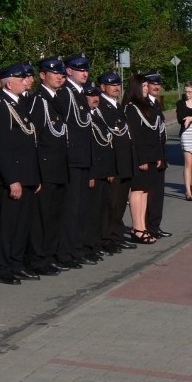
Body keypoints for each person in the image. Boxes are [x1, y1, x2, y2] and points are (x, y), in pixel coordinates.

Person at [0, 63, 41, 285]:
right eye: (21, 79)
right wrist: (12, 180)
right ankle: (2, 266)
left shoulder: (20, 105)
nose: (26, 81)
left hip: (27, 175)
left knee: (22, 225)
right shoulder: (1, 106)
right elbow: (1, 147)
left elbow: (31, 142)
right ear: (9, 82)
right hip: (13, 177)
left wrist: (34, 176)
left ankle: (17, 263)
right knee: (8, 225)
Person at [27, 57, 68, 276]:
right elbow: (34, 138)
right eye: (54, 73)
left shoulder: (57, 99)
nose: (60, 76)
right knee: (42, 217)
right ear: (42, 75)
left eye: (62, 73)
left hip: (59, 167)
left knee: (54, 215)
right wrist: (37, 173)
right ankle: (38, 258)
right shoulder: (38, 100)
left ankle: (50, 255)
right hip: (45, 168)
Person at [56, 53, 95, 267]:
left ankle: (76, 249)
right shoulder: (65, 93)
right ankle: (66, 252)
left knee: (81, 208)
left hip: (82, 159)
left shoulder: (80, 94)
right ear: (68, 71)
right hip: (71, 159)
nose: (84, 73)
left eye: (86, 69)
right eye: (80, 69)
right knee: (70, 209)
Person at [97, 72, 136, 252]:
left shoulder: (117, 106)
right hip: (113, 164)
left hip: (124, 163)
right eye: (111, 85)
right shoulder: (101, 106)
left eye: (118, 84)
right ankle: (107, 238)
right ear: (102, 87)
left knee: (120, 203)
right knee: (110, 204)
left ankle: (117, 236)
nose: (116, 88)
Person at [123, 74, 162, 245]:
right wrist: (141, 159)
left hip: (151, 155)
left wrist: (158, 156)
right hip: (140, 157)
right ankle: (137, 228)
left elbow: (155, 133)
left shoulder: (148, 106)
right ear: (136, 88)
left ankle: (142, 226)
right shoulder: (131, 108)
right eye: (144, 86)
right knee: (138, 191)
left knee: (145, 191)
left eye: (147, 86)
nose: (147, 89)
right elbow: (135, 137)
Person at [84, 83, 114, 259]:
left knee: (103, 210)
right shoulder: (85, 118)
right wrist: (91, 173)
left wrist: (109, 169)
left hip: (104, 170)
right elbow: (89, 148)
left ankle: (98, 242)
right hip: (93, 171)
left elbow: (107, 144)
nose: (95, 99)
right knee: (91, 211)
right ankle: (89, 245)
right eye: (91, 96)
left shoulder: (99, 115)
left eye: (97, 96)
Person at [143, 71, 170, 238]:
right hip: (152, 155)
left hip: (160, 153)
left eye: (158, 83)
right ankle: (148, 225)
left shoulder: (156, 103)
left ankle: (155, 225)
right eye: (153, 83)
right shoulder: (144, 104)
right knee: (151, 193)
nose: (156, 86)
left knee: (158, 193)